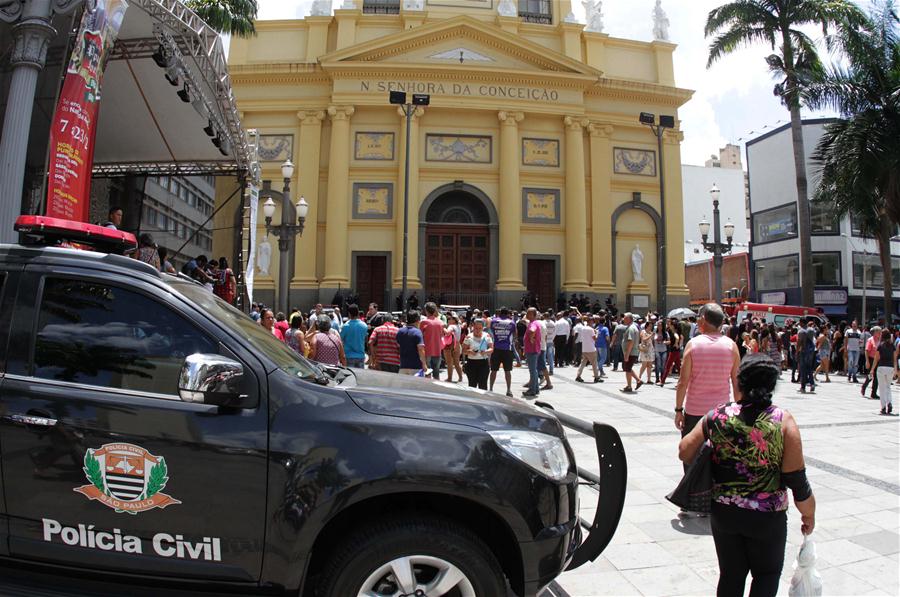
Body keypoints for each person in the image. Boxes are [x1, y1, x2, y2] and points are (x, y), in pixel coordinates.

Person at [678, 354, 816, 596]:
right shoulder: (783, 421)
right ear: (772, 385)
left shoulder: (717, 415)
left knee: (730, 575)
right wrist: (808, 514)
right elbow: (796, 478)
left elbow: (685, 451)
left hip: (724, 513)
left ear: (739, 382)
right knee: (766, 576)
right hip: (767, 518)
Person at [674, 303, 740, 474]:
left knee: (691, 457)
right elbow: (737, 382)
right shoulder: (731, 346)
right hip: (722, 412)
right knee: (720, 457)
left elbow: (683, 382)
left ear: (703, 320)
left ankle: (693, 488)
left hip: (695, 412)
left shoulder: (693, 344)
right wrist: (740, 410)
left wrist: (679, 409)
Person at [489, 307, 516, 397]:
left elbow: (491, 332)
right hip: (507, 349)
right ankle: (508, 390)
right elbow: (515, 334)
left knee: (493, 370)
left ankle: (491, 389)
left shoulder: (494, 321)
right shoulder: (511, 322)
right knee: (507, 371)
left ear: (499, 313)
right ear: (508, 314)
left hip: (496, 348)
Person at [871, 330, 897, 415]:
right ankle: (889, 402)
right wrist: (895, 370)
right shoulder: (892, 346)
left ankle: (883, 407)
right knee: (888, 387)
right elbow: (895, 359)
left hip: (881, 367)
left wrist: (872, 369)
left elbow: (876, 359)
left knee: (882, 388)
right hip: (890, 367)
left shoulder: (880, 346)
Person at [462, 318, 492, 390]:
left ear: (483, 328)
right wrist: (470, 351)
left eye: (480, 328)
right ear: (473, 327)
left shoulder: (487, 336)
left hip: (483, 363)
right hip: (471, 363)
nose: (478, 330)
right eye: (476, 328)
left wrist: (486, 351)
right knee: (472, 385)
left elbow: (491, 348)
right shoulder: (469, 337)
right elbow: (463, 350)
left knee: (483, 385)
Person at [397, 310, 428, 376]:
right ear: (417, 320)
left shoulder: (400, 331)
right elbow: (421, 349)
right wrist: (424, 364)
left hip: (403, 366)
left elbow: (398, 346)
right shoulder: (418, 332)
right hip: (416, 367)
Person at [420, 302, 445, 380]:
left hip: (427, 351)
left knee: (427, 374)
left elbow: (420, 336)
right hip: (437, 350)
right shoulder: (440, 322)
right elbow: (442, 335)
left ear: (426, 311)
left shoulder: (423, 322)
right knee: (436, 373)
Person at [340, 304, 368, 369]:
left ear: (349, 314)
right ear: (358, 313)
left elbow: (340, 340)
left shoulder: (345, 326)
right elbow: (365, 339)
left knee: (350, 375)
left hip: (348, 356)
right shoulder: (364, 325)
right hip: (361, 356)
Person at [575, 316, 601, 384]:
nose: (593, 323)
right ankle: (596, 377)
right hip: (591, 349)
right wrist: (597, 333)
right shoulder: (590, 329)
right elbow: (595, 338)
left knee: (582, 363)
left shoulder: (583, 328)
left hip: (584, 348)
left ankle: (578, 376)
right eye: (593, 321)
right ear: (590, 321)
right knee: (594, 364)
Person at [522, 308, 542, 397]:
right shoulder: (535, 322)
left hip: (532, 350)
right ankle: (536, 388)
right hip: (534, 349)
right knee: (534, 370)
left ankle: (532, 390)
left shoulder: (533, 324)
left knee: (532, 371)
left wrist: (531, 338)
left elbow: (532, 330)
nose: (526, 315)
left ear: (533, 315)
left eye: (528, 313)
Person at [620, 313, 641, 393]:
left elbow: (631, 341)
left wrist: (627, 354)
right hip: (631, 352)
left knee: (627, 368)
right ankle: (635, 382)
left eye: (625, 318)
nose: (623, 319)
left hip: (631, 353)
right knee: (627, 368)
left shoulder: (631, 328)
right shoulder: (631, 327)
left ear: (629, 319)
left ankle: (631, 385)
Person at [658, 318, 682, 386]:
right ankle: (682, 382)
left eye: (670, 324)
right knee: (678, 367)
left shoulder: (674, 332)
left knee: (668, 366)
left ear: (673, 326)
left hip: (673, 351)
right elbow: (679, 338)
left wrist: (676, 343)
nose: (669, 325)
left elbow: (677, 338)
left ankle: (662, 381)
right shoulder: (672, 331)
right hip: (676, 351)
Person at [796, 319, 817, 394]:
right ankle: (812, 384)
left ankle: (803, 387)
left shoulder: (801, 331)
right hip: (810, 351)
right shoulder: (811, 330)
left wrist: (797, 352)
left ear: (802, 323)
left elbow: (799, 342)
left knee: (803, 369)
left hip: (803, 350)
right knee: (809, 368)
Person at [442, 313, 463, 382]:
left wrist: (443, 328)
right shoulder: (458, 326)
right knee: (457, 363)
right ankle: (460, 377)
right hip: (457, 345)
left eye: (450, 319)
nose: (448, 320)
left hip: (450, 345)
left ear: (454, 320)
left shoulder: (451, 326)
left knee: (449, 362)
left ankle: (449, 378)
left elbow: (447, 332)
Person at [653, 319, 667, 384]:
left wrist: (665, 342)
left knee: (663, 366)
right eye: (658, 325)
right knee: (658, 365)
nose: (659, 327)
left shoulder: (665, 333)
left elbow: (669, 341)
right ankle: (657, 379)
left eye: (660, 325)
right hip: (657, 350)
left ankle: (662, 379)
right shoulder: (655, 333)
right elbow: (652, 341)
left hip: (664, 350)